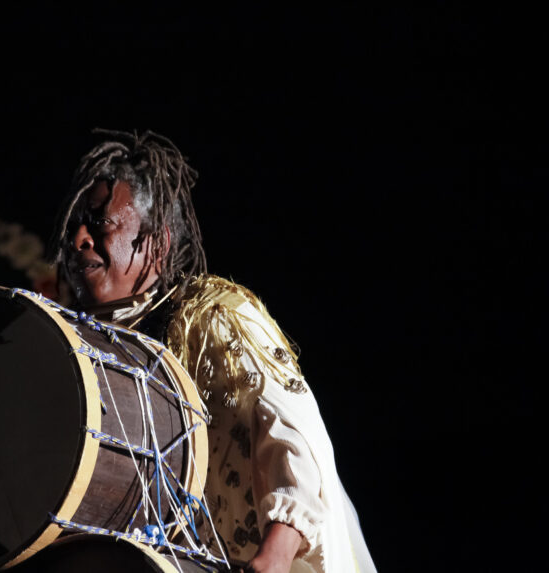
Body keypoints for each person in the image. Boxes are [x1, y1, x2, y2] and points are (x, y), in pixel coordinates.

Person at [49, 129, 376, 573]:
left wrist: (274, 557)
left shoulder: (213, 316)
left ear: (158, 244)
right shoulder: (86, 348)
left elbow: (295, 429)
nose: (79, 239)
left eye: (100, 222)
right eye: (74, 227)